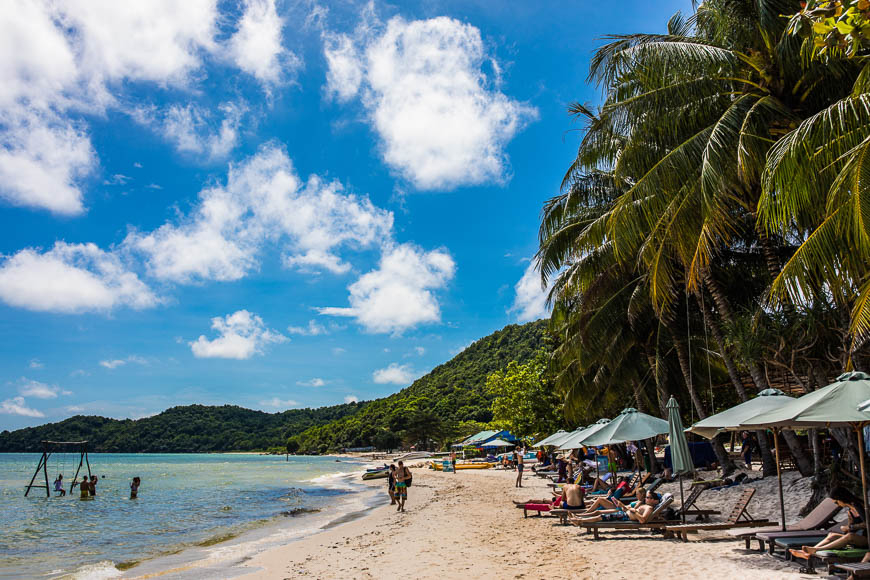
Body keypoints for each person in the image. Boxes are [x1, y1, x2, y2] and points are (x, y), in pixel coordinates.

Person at [803, 486, 867, 555]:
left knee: (850, 536)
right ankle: (811, 550)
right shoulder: (850, 511)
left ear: (841, 498)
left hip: (867, 539)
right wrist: (847, 529)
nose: (837, 504)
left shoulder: (860, 505)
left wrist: (850, 527)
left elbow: (867, 524)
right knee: (832, 535)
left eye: (836, 502)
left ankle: (817, 549)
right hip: (861, 539)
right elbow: (851, 530)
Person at [571, 491, 661, 524]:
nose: (645, 498)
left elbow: (643, 520)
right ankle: (580, 518)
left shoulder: (649, 508)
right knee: (600, 515)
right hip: (624, 513)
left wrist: (634, 511)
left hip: (624, 516)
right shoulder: (645, 505)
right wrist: (624, 507)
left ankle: (580, 520)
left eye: (648, 497)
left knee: (601, 517)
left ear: (653, 500)